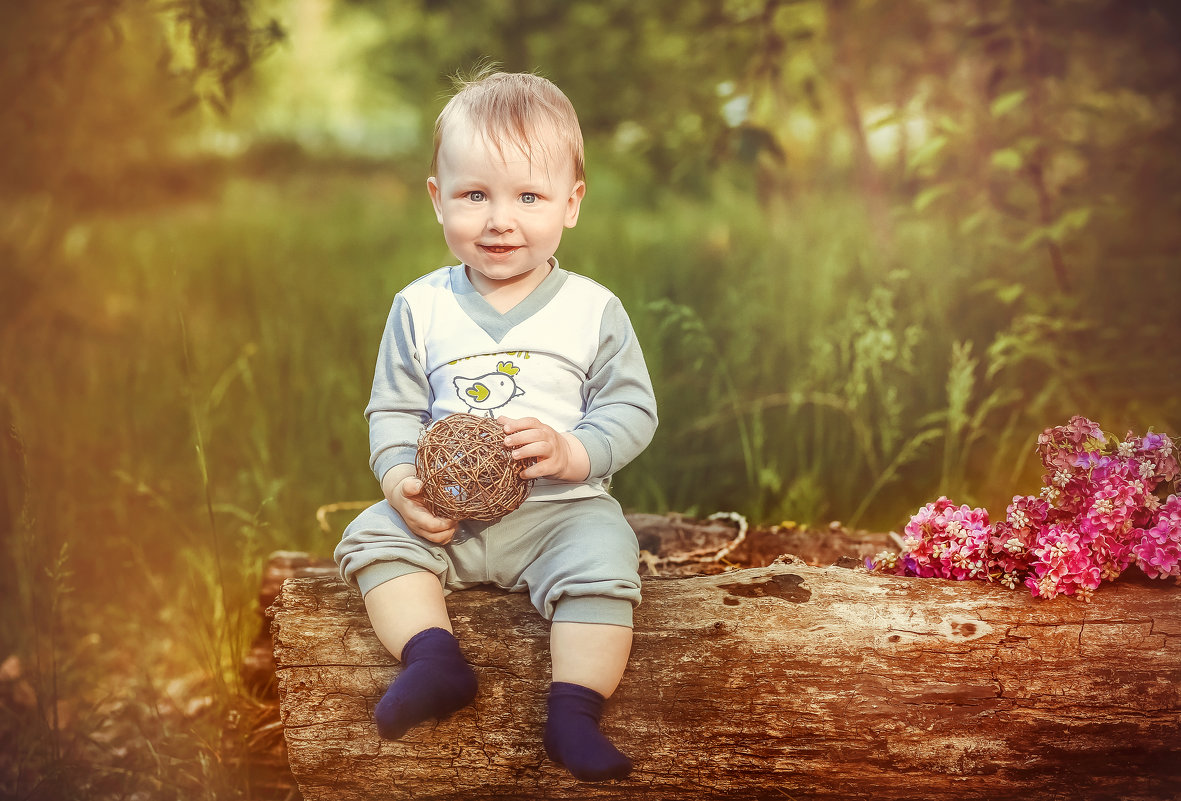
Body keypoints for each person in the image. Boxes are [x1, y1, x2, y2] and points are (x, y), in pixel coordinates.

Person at [334, 69, 658, 783]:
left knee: (607, 559)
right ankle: (432, 659)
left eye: (528, 196)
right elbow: (391, 408)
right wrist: (399, 479)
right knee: (369, 536)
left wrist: (575, 450)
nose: (499, 219)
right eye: (474, 194)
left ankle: (573, 711)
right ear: (436, 198)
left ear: (571, 204)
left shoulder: (591, 309)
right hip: (447, 514)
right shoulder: (419, 307)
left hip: (560, 513)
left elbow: (631, 408)